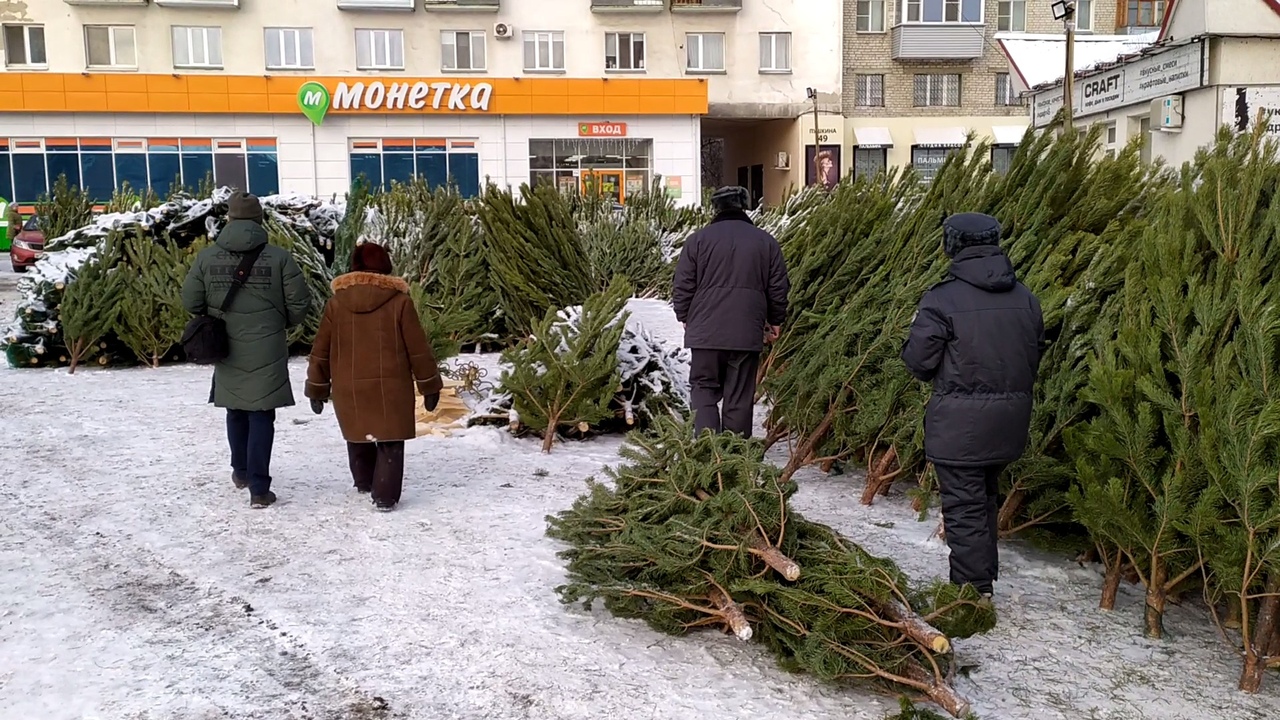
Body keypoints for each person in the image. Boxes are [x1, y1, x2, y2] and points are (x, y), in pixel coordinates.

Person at [900, 212, 1045, 599]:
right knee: (984, 499)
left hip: (959, 425)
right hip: (1010, 421)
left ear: (953, 246)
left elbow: (918, 362)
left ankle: (970, 594)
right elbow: (1035, 354)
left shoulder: (941, 299)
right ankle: (984, 582)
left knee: (964, 507)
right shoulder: (1026, 298)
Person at [182, 192, 311, 509]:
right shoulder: (280, 258)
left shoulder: (207, 257)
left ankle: (240, 471)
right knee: (262, 414)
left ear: (229, 220)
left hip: (225, 344)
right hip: (267, 345)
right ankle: (259, 488)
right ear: (258, 220)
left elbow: (190, 302)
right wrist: (280, 322)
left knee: (235, 408)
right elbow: (300, 305)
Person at [305, 242, 442, 512]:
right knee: (390, 438)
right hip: (391, 384)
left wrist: (317, 387)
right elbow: (418, 348)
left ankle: (364, 481)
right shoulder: (400, 302)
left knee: (358, 430)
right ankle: (385, 495)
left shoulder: (336, 304)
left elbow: (321, 349)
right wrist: (429, 385)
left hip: (348, 384)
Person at [673, 186, 790, 437]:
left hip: (705, 331)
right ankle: (733, 458)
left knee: (703, 388)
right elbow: (778, 286)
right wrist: (776, 320)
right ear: (744, 207)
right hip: (746, 331)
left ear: (716, 208)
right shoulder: (765, 241)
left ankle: (707, 453)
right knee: (739, 395)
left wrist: (684, 315)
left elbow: (683, 283)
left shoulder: (697, 240)